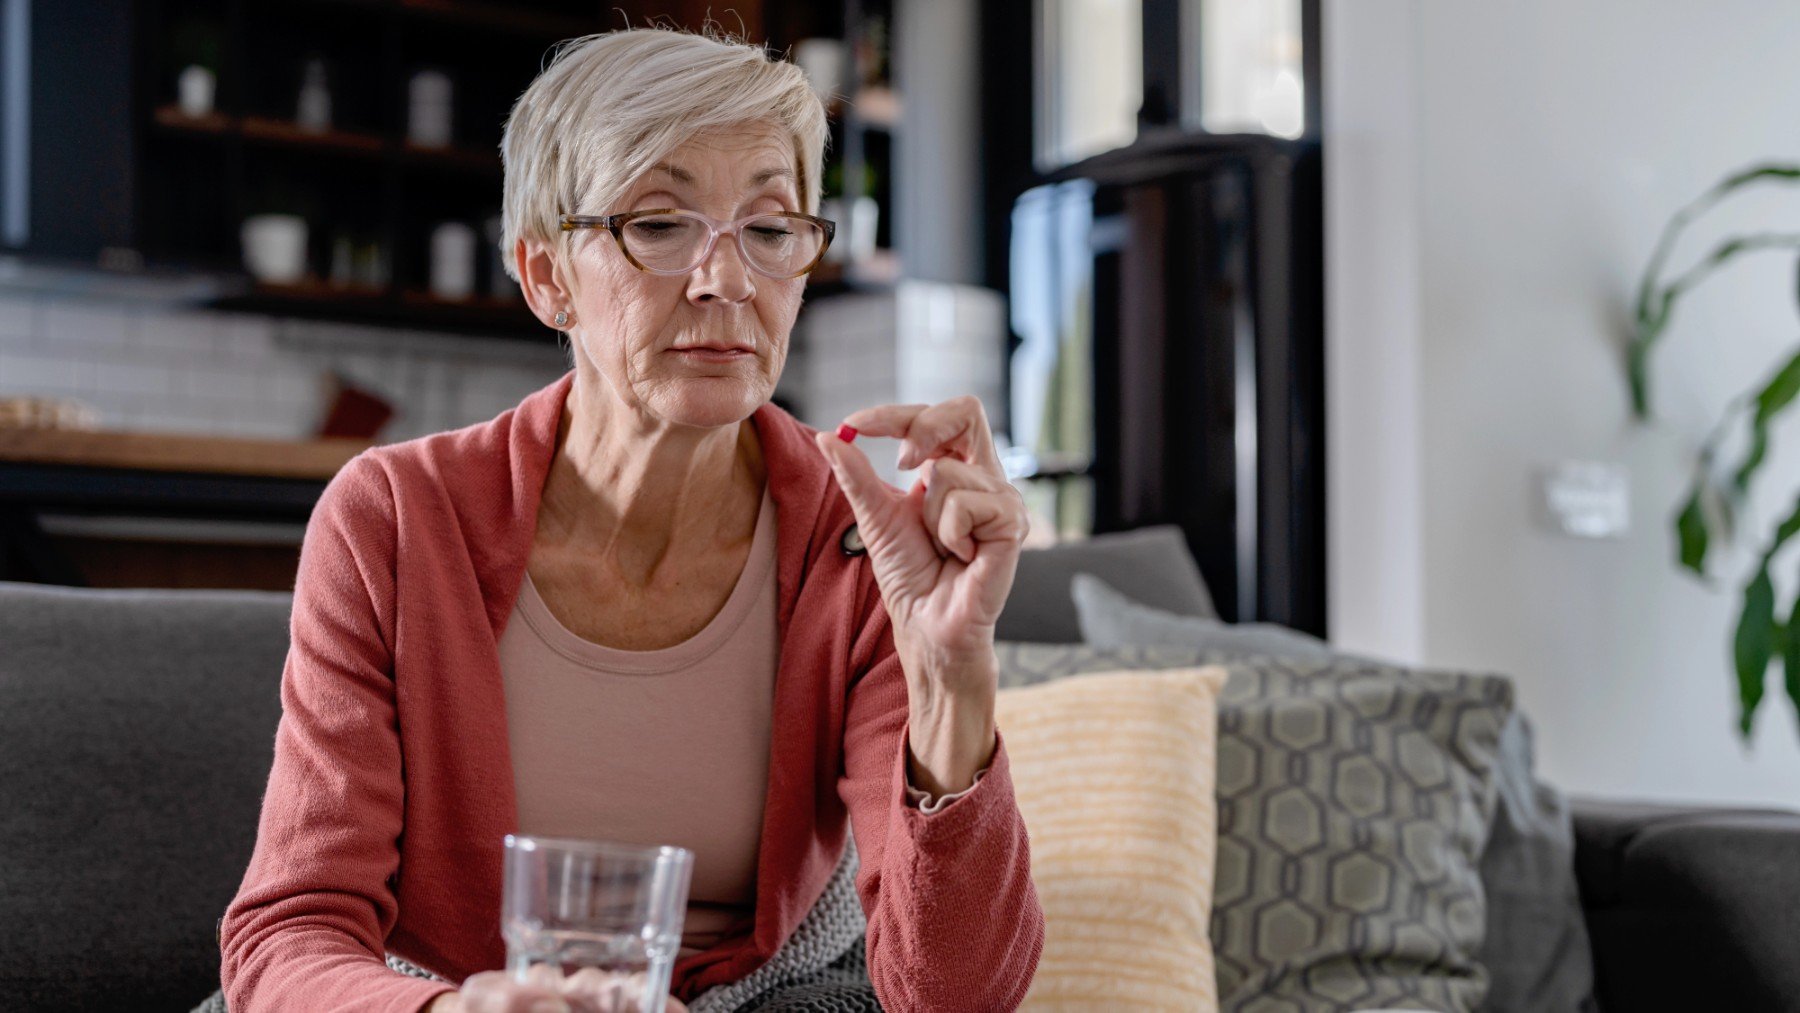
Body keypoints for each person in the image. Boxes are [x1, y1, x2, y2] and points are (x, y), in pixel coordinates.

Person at [217, 25, 1045, 1013]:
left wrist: (952, 681)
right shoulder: (393, 519)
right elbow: (292, 931)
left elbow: (956, 996)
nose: (727, 279)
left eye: (769, 229)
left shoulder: (860, 540)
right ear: (545, 277)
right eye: (658, 224)